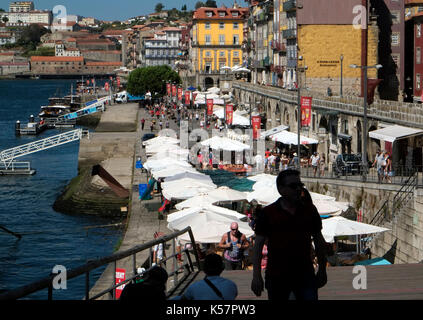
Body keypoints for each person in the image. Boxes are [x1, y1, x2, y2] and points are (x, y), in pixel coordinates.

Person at [251, 169, 327, 300]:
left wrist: (322, 270)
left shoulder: (310, 210)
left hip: (305, 275)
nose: (298, 189)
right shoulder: (268, 213)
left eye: (300, 185)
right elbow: (258, 246)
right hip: (277, 276)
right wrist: (256, 276)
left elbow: (319, 241)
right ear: (281, 189)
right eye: (293, 186)